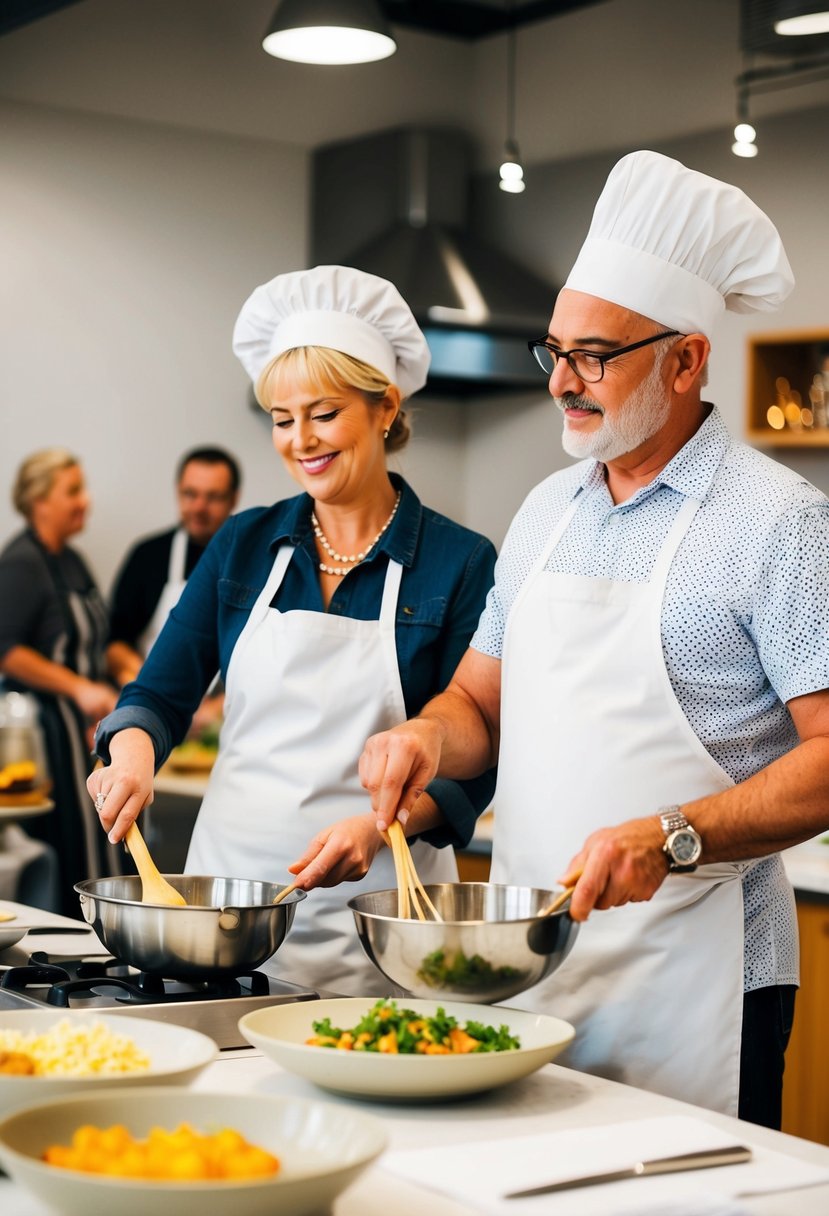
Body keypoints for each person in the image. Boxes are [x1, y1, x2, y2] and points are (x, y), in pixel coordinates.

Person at [357, 151, 829, 1128]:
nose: (561, 382)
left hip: (698, 979)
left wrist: (672, 834)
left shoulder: (778, 522)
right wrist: (425, 738)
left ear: (686, 359)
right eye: (554, 352)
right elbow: (479, 702)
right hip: (533, 965)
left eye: (594, 357)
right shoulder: (545, 509)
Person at [88, 265, 497, 995]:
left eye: (324, 412)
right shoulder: (245, 545)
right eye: (282, 418)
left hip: (375, 921)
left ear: (384, 408)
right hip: (226, 918)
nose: (300, 439)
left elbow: (478, 757)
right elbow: (159, 692)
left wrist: (380, 829)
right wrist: (130, 756)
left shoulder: (457, 560)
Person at [0, 449, 119, 914]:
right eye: (73, 491)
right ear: (38, 501)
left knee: (101, 837)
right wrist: (78, 688)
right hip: (50, 735)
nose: (85, 501)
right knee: (70, 843)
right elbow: (6, 650)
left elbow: (96, 639)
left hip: (87, 728)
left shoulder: (71, 560)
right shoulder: (21, 564)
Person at [106, 447, 240, 734]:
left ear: (234, 499)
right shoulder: (148, 555)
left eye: (213, 497)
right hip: (154, 716)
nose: (199, 507)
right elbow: (115, 642)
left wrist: (214, 710)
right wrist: (148, 684)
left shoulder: (253, 560)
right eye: (190, 494)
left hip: (230, 719)